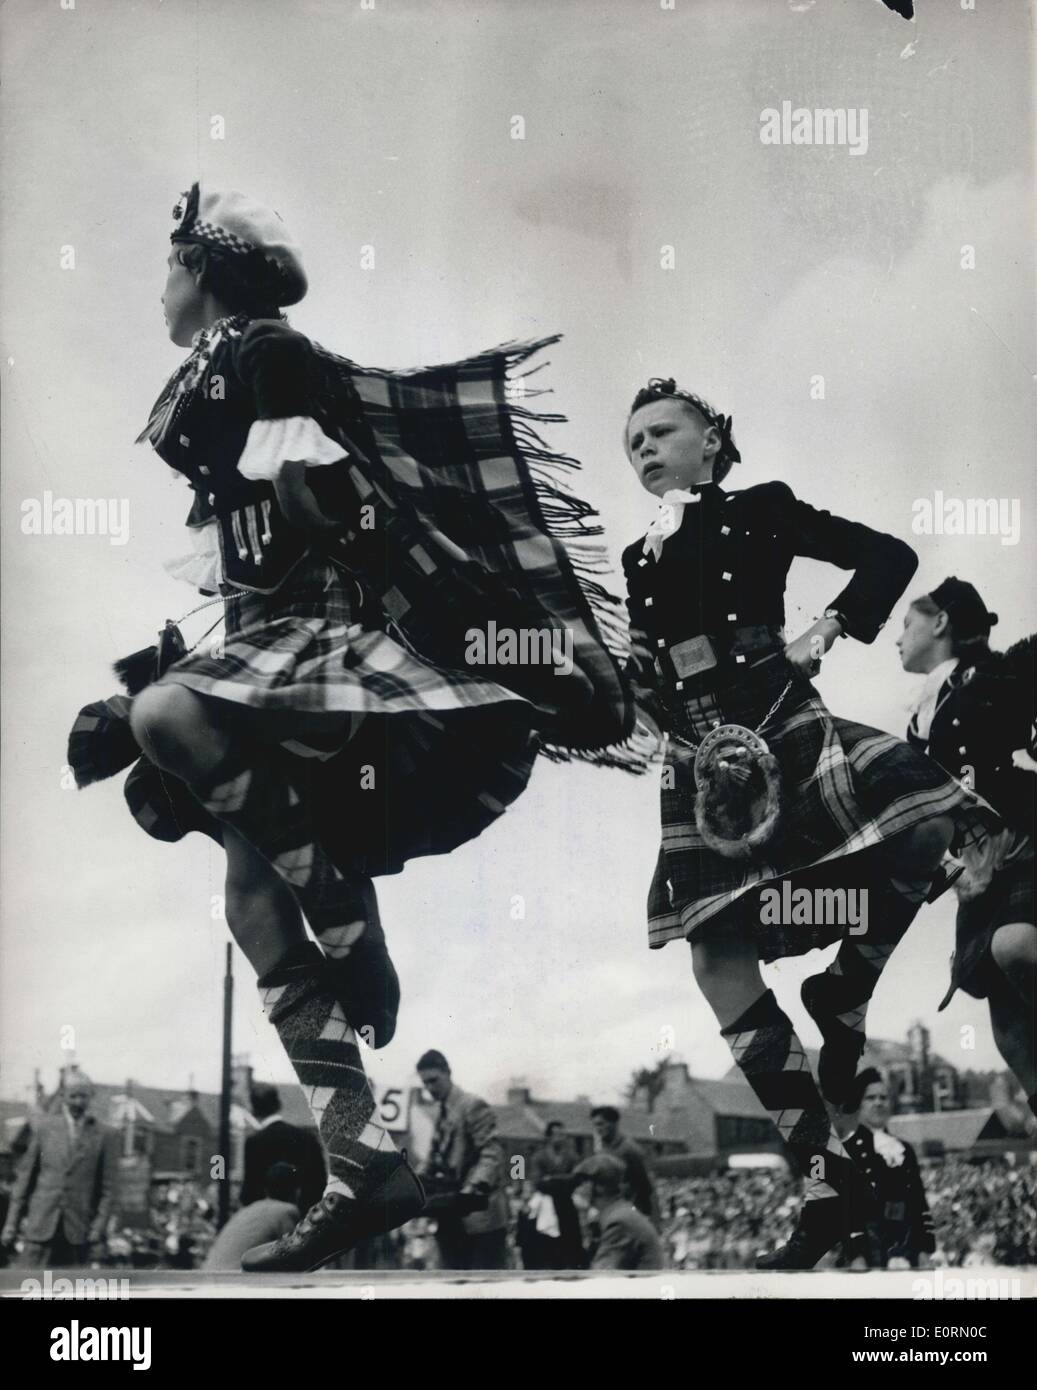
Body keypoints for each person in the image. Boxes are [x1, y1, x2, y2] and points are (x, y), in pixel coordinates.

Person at [66, 184, 634, 1272]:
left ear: (206, 270)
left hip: (315, 641)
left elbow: (328, 497)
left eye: (168, 265)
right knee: (245, 899)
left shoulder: (264, 355)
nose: (159, 285)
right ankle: (361, 1156)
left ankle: (344, 911)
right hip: (259, 635)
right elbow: (238, 534)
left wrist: (353, 533)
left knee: (166, 716)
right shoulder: (217, 367)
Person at [619, 378, 995, 1269]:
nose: (642, 446)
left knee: (923, 820)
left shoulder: (764, 509)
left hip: (782, 717)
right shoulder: (636, 557)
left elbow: (888, 557)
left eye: (661, 430)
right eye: (630, 438)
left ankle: (846, 984)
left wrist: (825, 628)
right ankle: (825, 1178)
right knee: (714, 954)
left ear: (711, 441)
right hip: (700, 756)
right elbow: (640, 669)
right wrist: (631, 723)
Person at [897, 578, 1036, 1112]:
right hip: (971, 867)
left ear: (941, 623)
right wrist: (950, 872)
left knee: (1016, 946)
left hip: (1021, 838)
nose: (898, 638)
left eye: (907, 623)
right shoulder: (918, 713)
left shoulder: (999, 672)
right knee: (1004, 1021)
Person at [1, 1074, 116, 1267]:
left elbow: (108, 1189)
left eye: (83, 1096)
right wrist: (11, 1224)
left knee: (71, 1290)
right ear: (63, 1095)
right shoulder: (45, 1129)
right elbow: (25, 1181)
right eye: (73, 1096)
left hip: (78, 1230)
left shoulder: (104, 1135)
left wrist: (98, 1227)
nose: (78, 1102)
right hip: (41, 1226)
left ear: (91, 1097)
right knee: (30, 1287)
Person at [416, 1050, 509, 1270]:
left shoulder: (472, 1105)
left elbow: (491, 1151)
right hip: (452, 1214)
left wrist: (475, 1184)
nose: (429, 1089)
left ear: (448, 1073)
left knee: (484, 1286)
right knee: (451, 1281)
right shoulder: (442, 1111)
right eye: (425, 1084)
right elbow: (432, 1157)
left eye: (433, 1081)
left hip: (481, 1216)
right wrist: (412, 1180)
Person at [842, 1069, 935, 1269]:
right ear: (859, 1104)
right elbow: (845, 1209)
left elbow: (918, 1202)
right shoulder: (846, 1150)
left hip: (907, 1243)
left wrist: (924, 1249)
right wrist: (856, 1254)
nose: (878, 1103)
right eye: (871, 1098)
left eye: (883, 1098)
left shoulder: (904, 1149)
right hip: (868, 1246)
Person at [240, 1082, 326, 1214]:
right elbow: (320, 1183)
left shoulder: (254, 1142)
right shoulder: (307, 1138)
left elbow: (250, 1194)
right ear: (278, 1104)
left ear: (253, 1110)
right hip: (304, 1219)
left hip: (269, 1220)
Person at [203, 1162, 301, 1273]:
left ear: (266, 1189)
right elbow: (294, 1258)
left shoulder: (247, 1209)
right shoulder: (287, 1211)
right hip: (234, 1280)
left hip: (211, 1275)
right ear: (296, 1190)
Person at [573, 1155, 665, 1271]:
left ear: (599, 1187)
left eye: (580, 1183)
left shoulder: (619, 1222)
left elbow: (599, 1276)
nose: (576, 1189)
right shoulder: (619, 1212)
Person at [528, 1120, 585, 1269]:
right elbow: (538, 1182)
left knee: (570, 1241)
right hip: (546, 1205)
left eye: (563, 1135)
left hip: (566, 1204)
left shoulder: (572, 1157)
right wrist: (563, 1181)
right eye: (556, 1135)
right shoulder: (539, 1157)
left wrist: (553, 1179)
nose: (560, 1138)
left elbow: (577, 1178)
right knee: (548, 1241)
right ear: (549, 1137)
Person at [589, 1106, 656, 1222]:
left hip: (626, 1210)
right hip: (605, 1209)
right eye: (595, 1125)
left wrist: (643, 1214)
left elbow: (644, 1186)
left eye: (601, 1124)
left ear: (614, 1123)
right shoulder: (601, 1149)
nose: (597, 1129)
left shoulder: (630, 1150)